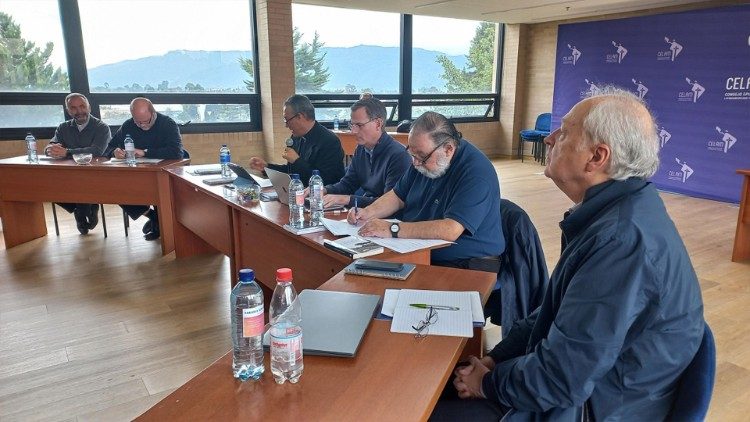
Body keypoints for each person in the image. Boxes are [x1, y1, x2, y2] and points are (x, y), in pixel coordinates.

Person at [434, 88, 704, 421]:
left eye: (565, 131)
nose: (550, 139)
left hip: (591, 408)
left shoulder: (620, 242)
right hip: (580, 387)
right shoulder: (612, 215)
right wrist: (495, 359)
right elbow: (555, 311)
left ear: (596, 158)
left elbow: (562, 379)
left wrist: (488, 383)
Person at [348, 111, 504, 271]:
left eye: (421, 157)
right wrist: (367, 212)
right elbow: (397, 196)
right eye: (412, 154)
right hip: (419, 251)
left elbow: (450, 230)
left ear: (448, 149)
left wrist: (391, 229)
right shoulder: (424, 158)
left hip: (467, 264)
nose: (415, 163)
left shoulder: (476, 173)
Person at [105, 97, 184, 241]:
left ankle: (160, 222)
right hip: (136, 174)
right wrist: (114, 152)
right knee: (116, 188)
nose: (141, 125)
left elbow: (176, 152)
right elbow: (109, 147)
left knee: (157, 191)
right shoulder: (128, 125)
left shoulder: (167, 124)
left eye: (145, 121)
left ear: (152, 112)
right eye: (137, 122)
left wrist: (145, 152)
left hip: (163, 173)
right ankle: (154, 217)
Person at [319, 97, 411, 210]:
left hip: (388, 221)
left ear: (378, 124)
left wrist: (346, 199)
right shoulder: (361, 149)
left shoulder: (399, 155)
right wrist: (323, 190)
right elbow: (348, 184)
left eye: (359, 125)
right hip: (365, 215)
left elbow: (389, 204)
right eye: (352, 125)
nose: (353, 131)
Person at [44, 93, 111, 235]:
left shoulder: (102, 127)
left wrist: (66, 152)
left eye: (82, 106)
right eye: (73, 108)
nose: (79, 111)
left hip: (96, 175)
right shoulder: (63, 127)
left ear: (89, 107)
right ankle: (78, 209)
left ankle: (86, 207)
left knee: (80, 186)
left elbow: (96, 151)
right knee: (45, 185)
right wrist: (50, 150)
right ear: (68, 111)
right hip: (69, 175)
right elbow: (51, 146)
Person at [248, 94, 344, 186]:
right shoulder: (295, 138)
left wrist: (297, 161)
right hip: (299, 193)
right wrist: (266, 167)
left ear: (300, 116)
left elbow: (325, 180)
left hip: (325, 198)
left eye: (287, 120)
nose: (286, 125)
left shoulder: (329, 141)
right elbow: (291, 171)